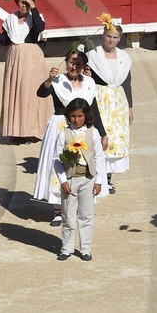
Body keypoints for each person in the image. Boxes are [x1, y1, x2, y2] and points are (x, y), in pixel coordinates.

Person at [31, 51, 104, 226]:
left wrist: (102, 133)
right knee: (59, 164)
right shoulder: (57, 81)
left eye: (78, 63)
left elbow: (93, 108)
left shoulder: (88, 83)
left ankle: (79, 206)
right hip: (60, 127)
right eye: (72, 62)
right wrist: (49, 79)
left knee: (82, 164)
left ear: (83, 66)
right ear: (66, 63)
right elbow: (41, 93)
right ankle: (58, 210)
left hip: (84, 128)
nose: (74, 66)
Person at [49, 98, 106, 261]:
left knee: (86, 215)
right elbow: (56, 159)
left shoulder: (93, 132)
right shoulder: (64, 133)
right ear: (69, 116)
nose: (76, 119)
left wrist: (98, 181)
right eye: (73, 116)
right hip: (70, 180)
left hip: (88, 179)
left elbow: (99, 158)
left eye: (80, 116)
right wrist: (63, 181)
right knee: (68, 215)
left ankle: (85, 249)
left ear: (86, 116)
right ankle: (66, 248)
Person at [0, 0, 49, 141]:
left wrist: (34, 8)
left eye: (28, 2)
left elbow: (40, 27)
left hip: (31, 57)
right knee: (15, 92)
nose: (25, 5)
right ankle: (16, 131)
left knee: (30, 93)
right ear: (17, 2)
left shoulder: (35, 17)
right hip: (14, 57)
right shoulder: (10, 19)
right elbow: (7, 40)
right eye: (22, 1)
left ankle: (31, 130)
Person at [87, 21, 133, 192]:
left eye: (115, 37)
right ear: (103, 36)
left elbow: (127, 83)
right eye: (108, 36)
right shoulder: (93, 55)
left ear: (119, 39)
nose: (111, 40)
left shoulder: (124, 58)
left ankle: (107, 178)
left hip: (118, 101)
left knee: (114, 138)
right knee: (99, 136)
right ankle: (97, 177)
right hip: (99, 98)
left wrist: (130, 107)